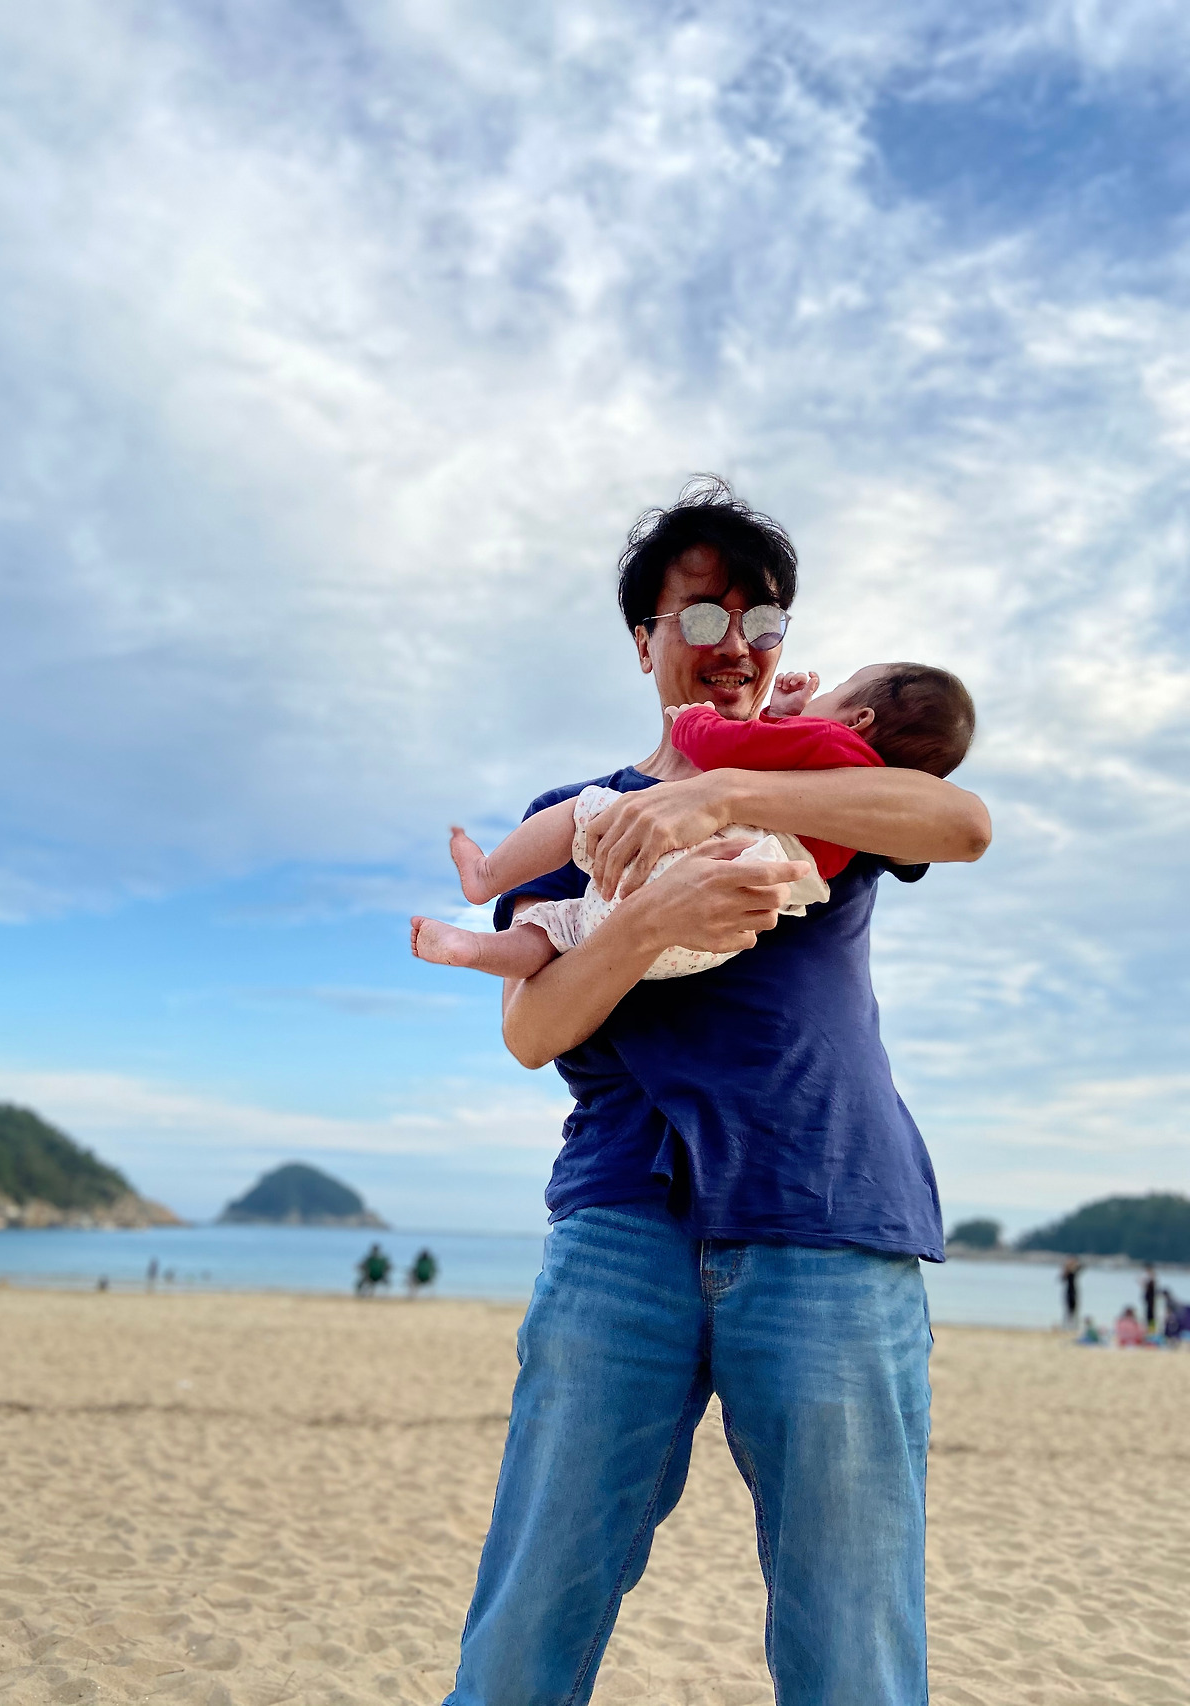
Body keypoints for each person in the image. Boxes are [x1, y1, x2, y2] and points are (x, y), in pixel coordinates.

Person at [434, 478, 991, 1706]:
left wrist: (727, 793)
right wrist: (650, 919)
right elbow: (530, 1028)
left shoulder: (825, 771)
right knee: (530, 1618)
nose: (734, 644)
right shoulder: (571, 819)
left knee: (851, 1644)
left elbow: (959, 822)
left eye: (761, 619)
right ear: (643, 641)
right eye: (697, 617)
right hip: (620, 1224)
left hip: (830, 1215)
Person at [412, 663, 975, 979]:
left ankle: (484, 882)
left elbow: (736, 748)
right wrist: (783, 715)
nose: (823, 695)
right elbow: (782, 755)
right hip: (704, 945)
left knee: (583, 818)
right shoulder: (867, 803)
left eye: (840, 688)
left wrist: (693, 722)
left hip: (675, 868)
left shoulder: (834, 744)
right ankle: (469, 948)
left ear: (859, 718)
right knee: (570, 926)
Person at [1060, 1256, 1083, 1331]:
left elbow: (1081, 1267)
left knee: (1074, 1309)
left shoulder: (1074, 1271)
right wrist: (1067, 1267)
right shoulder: (1067, 1272)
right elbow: (1062, 1279)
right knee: (1068, 1310)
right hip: (1069, 1292)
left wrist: (1074, 1264)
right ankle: (1066, 1326)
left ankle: (1074, 1326)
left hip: (1074, 1291)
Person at [1142, 1263, 1158, 1333]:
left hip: (1150, 1300)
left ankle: (1152, 1328)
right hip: (1150, 1299)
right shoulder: (1150, 1280)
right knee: (1150, 1315)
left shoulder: (1151, 1280)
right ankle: (1151, 1328)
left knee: (1150, 1315)